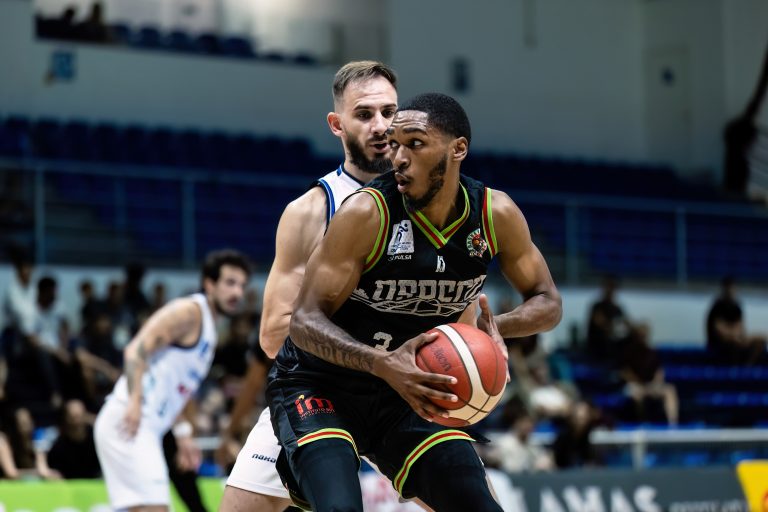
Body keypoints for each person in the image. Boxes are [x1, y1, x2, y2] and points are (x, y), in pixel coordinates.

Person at [267, 92, 562, 511]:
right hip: (322, 384)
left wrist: (494, 328)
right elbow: (303, 321)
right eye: (394, 144)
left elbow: (548, 301)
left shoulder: (494, 214)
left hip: (409, 393)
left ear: (458, 149)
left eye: (415, 144)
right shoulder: (367, 213)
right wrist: (380, 362)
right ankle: (304, 463)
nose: (398, 158)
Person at [219, 60, 399, 512]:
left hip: (399, 394)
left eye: (389, 112)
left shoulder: (429, 204)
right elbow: (272, 335)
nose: (380, 125)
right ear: (337, 125)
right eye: (364, 114)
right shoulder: (310, 211)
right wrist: (374, 352)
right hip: (315, 390)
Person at [94, 249, 250, 511]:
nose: (237, 292)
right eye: (230, 283)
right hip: (130, 422)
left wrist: (183, 432)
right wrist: (134, 402)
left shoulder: (211, 331)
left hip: (148, 428)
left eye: (242, 285)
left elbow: (174, 389)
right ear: (209, 284)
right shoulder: (188, 312)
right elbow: (135, 351)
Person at [618, 322, 679, 425]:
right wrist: (640, 384)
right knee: (636, 393)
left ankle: (673, 424)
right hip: (635, 385)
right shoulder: (629, 352)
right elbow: (625, 373)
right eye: (640, 335)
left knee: (670, 390)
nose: (643, 337)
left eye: (645, 335)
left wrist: (655, 384)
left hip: (650, 385)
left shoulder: (652, 353)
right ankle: (642, 422)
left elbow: (659, 372)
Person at [706, 275, 767, 366]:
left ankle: (747, 367)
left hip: (737, 340)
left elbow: (740, 327)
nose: (731, 291)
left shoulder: (736, 307)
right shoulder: (717, 307)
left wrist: (739, 337)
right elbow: (720, 331)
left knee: (760, 341)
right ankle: (734, 368)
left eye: (733, 288)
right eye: (729, 288)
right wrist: (734, 336)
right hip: (720, 344)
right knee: (733, 344)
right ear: (724, 289)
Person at [47, 399, 101, 478]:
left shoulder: (97, 439)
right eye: (73, 417)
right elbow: (55, 471)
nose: (77, 422)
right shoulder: (59, 445)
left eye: (79, 416)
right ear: (66, 418)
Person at [585, 274, 633, 364]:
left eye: (612, 287)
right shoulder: (597, 307)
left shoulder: (617, 309)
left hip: (614, 344)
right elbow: (601, 323)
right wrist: (614, 328)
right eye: (608, 286)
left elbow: (626, 325)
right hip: (598, 347)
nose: (610, 290)